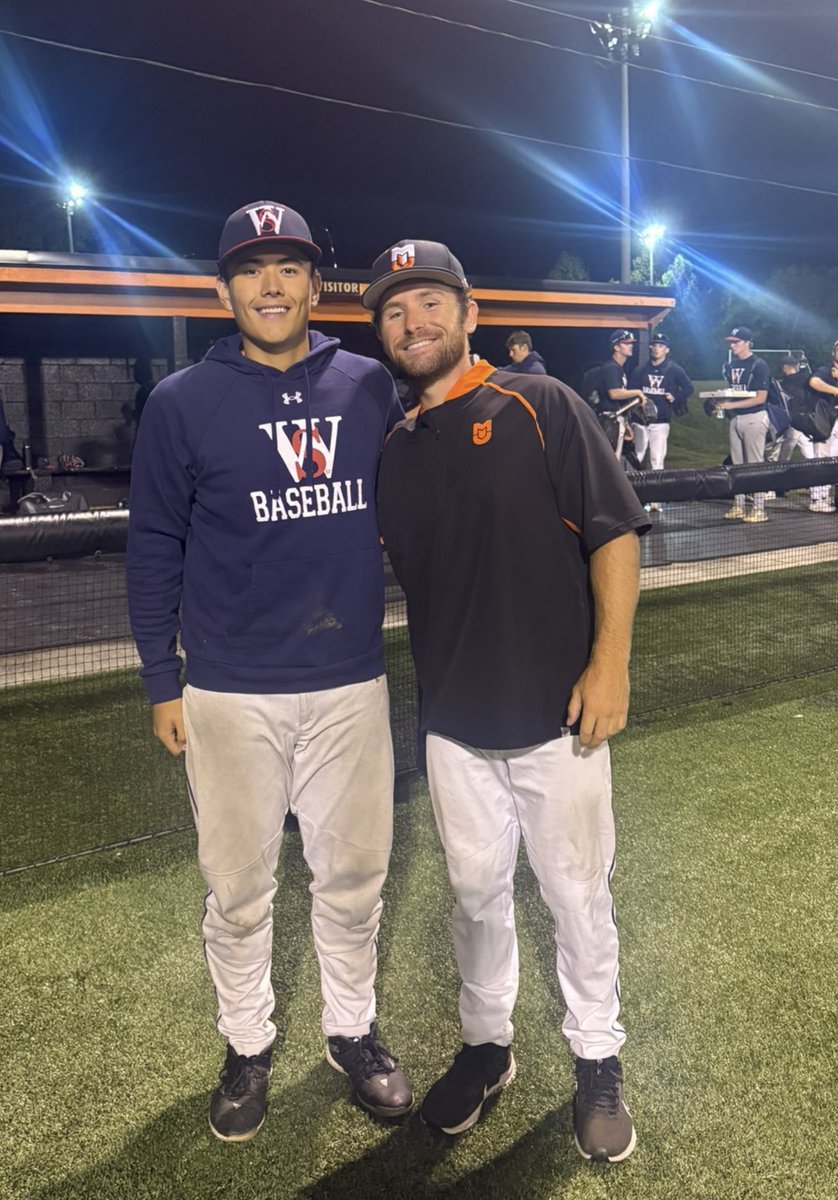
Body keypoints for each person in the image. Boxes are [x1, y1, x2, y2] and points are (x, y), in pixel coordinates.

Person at [126, 201, 412, 1144]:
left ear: (313, 283)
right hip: (227, 689)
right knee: (239, 887)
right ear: (224, 290)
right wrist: (161, 683)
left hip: (348, 678)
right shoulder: (180, 403)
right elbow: (153, 548)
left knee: (357, 873)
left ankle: (350, 1028)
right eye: (251, 269)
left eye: (288, 266)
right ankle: (248, 1043)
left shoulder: (371, 384)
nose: (271, 284)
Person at [366, 239, 650, 1162]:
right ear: (381, 332)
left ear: (469, 312)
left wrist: (610, 664)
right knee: (476, 896)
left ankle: (597, 1058)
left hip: (555, 719)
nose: (415, 321)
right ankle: (488, 1048)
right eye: (396, 309)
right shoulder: (395, 451)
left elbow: (614, 533)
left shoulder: (543, 403)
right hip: (453, 724)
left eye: (430, 302)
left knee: (576, 897)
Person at [628, 332, 692, 508]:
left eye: (661, 345)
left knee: (657, 459)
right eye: (654, 345)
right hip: (640, 421)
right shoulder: (641, 370)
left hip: (661, 421)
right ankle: (634, 498)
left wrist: (676, 396)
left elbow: (688, 387)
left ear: (667, 350)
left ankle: (655, 499)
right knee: (637, 458)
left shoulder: (674, 369)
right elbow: (631, 391)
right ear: (650, 348)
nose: (657, 348)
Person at [718, 326, 771, 522]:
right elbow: (734, 391)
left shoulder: (759, 364)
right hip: (736, 417)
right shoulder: (730, 366)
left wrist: (730, 404)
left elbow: (760, 398)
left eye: (736, 342)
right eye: (731, 342)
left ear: (747, 342)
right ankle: (738, 505)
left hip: (754, 417)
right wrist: (720, 401)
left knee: (754, 465)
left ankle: (759, 508)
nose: (732, 346)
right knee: (736, 466)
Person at [596, 330, 649, 460]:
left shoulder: (618, 367)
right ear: (616, 347)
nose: (631, 346)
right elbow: (614, 393)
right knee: (611, 461)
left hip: (615, 418)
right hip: (609, 420)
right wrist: (637, 392)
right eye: (626, 343)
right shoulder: (612, 367)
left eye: (631, 343)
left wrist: (624, 423)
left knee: (614, 459)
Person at [806, 341, 838, 512]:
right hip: (826, 420)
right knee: (822, 460)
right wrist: (835, 390)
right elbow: (814, 382)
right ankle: (817, 499)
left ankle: (827, 497)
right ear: (834, 352)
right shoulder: (826, 369)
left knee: (833, 462)